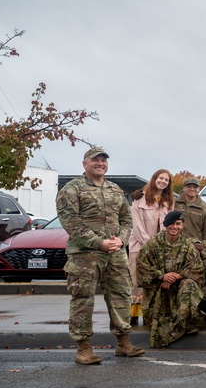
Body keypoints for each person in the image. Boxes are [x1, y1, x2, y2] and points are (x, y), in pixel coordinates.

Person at [55, 146, 145, 364]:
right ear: (84, 163)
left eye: (103, 160)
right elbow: (71, 222)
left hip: (115, 254)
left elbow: (126, 218)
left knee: (121, 295)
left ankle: (123, 343)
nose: (100, 163)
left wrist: (121, 239)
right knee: (83, 300)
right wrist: (98, 243)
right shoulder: (71, 189)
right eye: (95, 160)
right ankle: (83, 348)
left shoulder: (115, 190)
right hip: (85, 255)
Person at [136, 211, 206, 348]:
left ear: (183, 226)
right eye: (171, 224)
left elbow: (197, 270)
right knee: (160, 322)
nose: (175, 227)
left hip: (179, 289)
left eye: (178, 224)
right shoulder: (152, 244)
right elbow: (141, 267)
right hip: (158, 289)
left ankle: (186, 320)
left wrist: (176, 276)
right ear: (165, 225)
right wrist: (161, 276)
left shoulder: (188, 246)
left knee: (189, 284)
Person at [129, 169, 174, 322]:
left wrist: (161, 244)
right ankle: (134, 315)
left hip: (160, 247)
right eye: (161, 178)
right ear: (154, 178)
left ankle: (151, 314)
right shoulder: (139, 198)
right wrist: (149, 243)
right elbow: (136, 224)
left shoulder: (168, 201)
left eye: (166, 180)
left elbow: (169, 224)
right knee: (137, 281)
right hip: (140, 245)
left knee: (155, 280)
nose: (163, 181)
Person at [173, 177, 206, 243]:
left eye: (195, 187)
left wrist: (203, 246)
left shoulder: (205, 208)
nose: (192, 189)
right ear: (183, 188)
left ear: (199, 189)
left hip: (195, 247)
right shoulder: (174, 203)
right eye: (188, 186)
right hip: (175, 245)